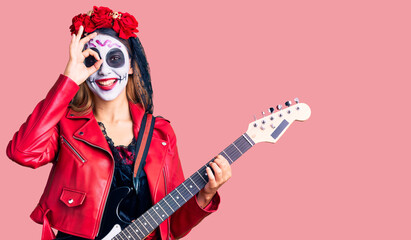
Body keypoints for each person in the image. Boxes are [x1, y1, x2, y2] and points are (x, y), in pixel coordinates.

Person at [6, 6, 231, 240]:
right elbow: (22, 152)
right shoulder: (64, 125)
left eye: (114, 58)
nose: (104, 70)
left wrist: (205, 196)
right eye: (92, 59)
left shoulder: (160, 134)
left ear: (132, 64)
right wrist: (69, 79)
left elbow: (172, 227)